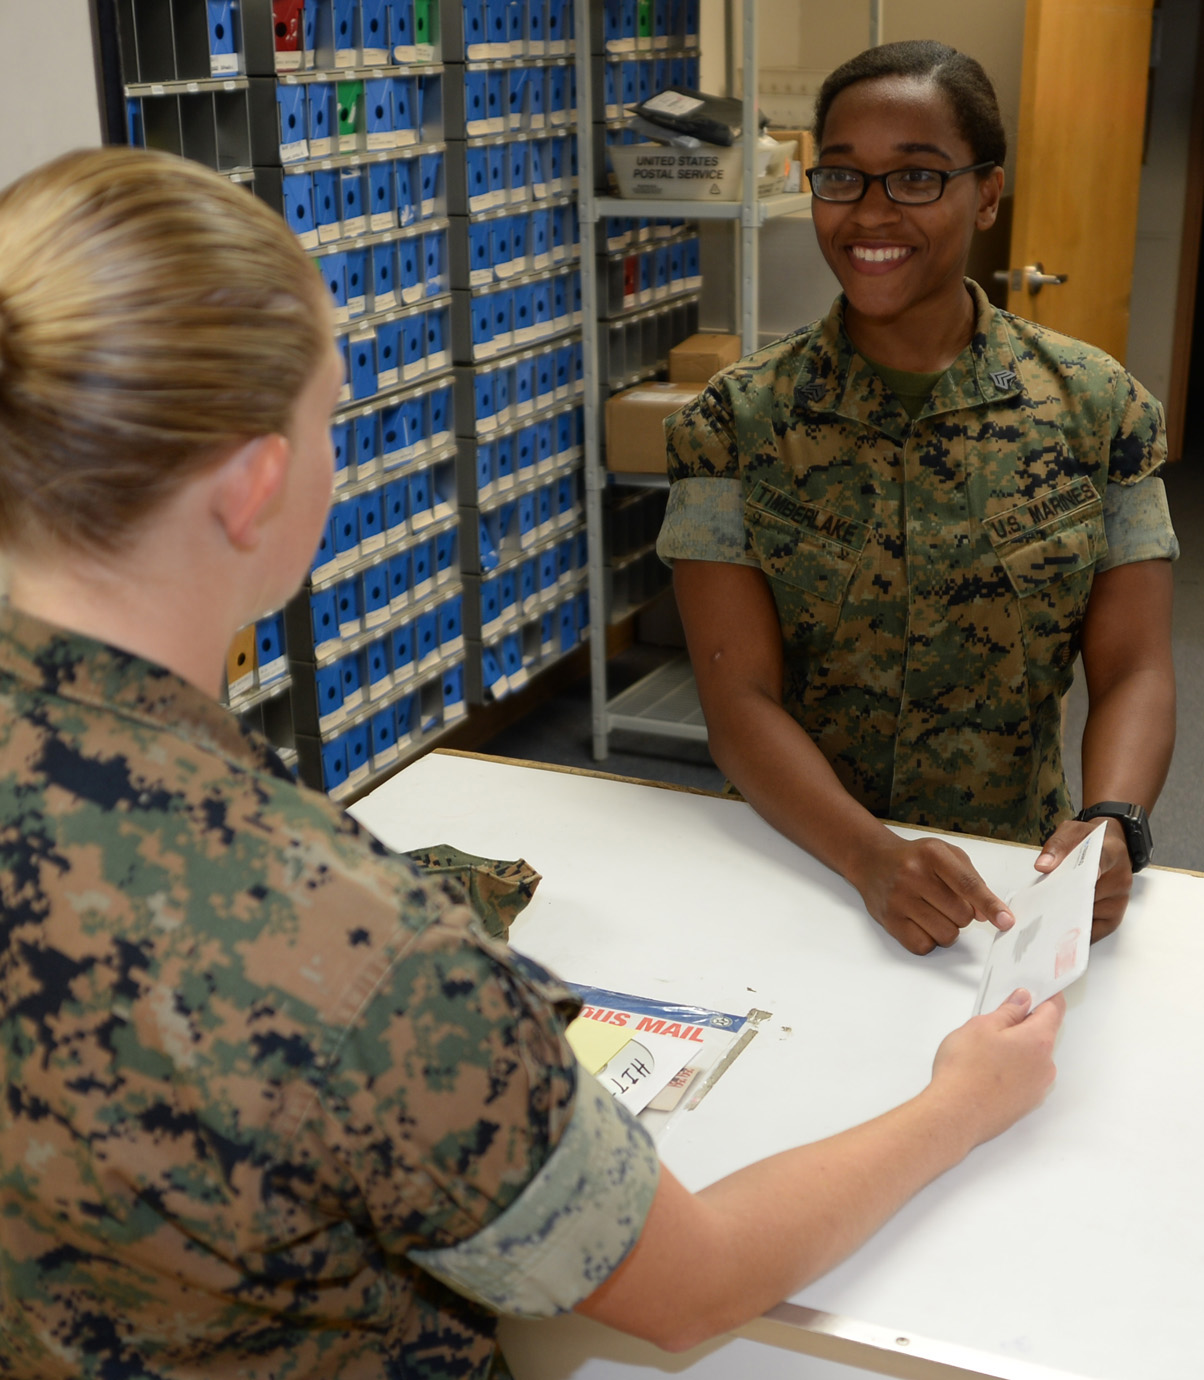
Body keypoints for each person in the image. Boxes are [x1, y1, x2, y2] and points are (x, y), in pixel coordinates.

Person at [0, 146, 1064, 1380]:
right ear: (255, 487)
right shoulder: (363, 957)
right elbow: (690, 1284)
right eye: (333, 415)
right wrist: (965, 1100)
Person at [658, 40, 1177, 957]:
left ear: (987, 192)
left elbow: (1134, 667)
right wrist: (871, 857)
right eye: (843, 177)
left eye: (917, 178)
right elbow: (737, 700)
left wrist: (1114, 823)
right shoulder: (733, 423)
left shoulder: (1101, 409)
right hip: (800, 862)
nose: (869, 214)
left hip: (1014, 882)